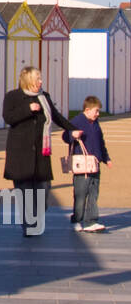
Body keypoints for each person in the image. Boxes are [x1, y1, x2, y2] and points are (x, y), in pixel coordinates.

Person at [2, 67, 83, 236]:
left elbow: (56, 116)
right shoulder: (13, 96)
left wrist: (72, 129)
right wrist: (28, 109)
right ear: (28, 80)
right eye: (37, 79)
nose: (41, 82)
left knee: (43, 191)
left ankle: (35, 219)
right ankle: (29, 227)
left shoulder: (44, 97)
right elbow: (8, 118)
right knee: (24, 194)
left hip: (41, 153)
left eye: (40, 79)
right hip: (20, 154)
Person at [62, 96, 111, 233]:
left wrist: (106, 158)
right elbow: (65, 136)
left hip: (95, 164)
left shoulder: (96, 123)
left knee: (93, 193)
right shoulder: (77, 121)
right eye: (96, 111)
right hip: (81, 166)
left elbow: (101, 142)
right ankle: (77, 220)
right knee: (80, 194)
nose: (98, 114)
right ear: (87, 109)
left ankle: (91, 221)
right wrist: (73, 135)